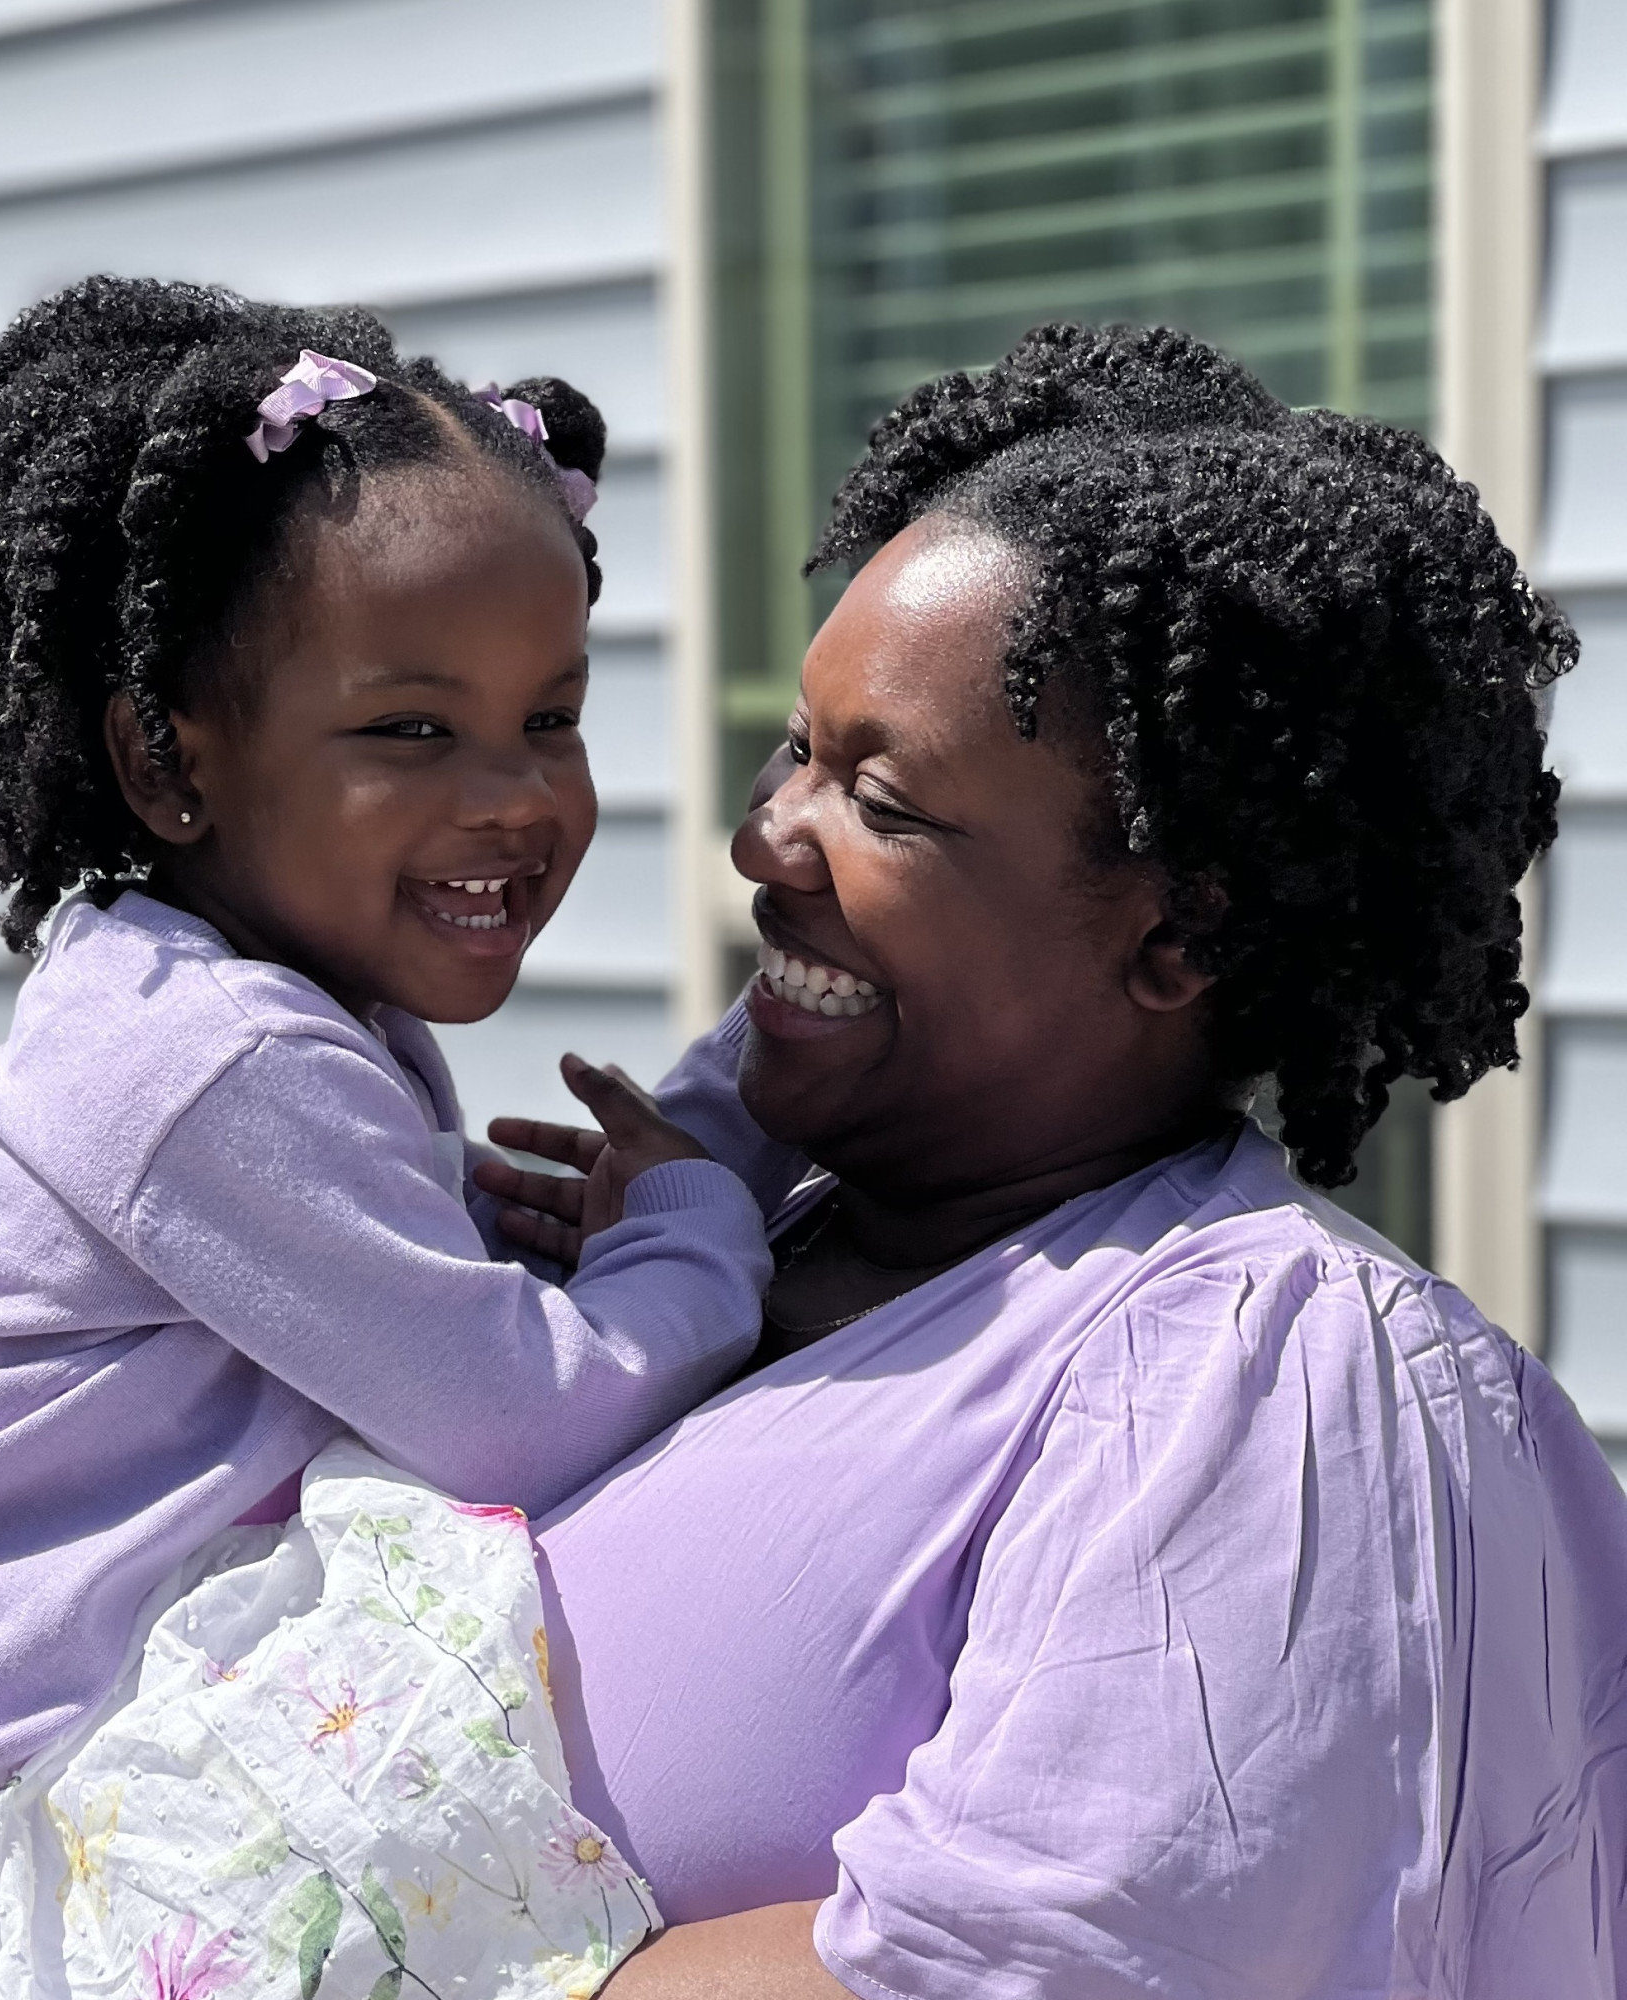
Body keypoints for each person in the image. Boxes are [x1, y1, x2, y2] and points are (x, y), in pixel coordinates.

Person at [0, 277, 766, 1993]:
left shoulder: (237, 994)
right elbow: (516, 1422)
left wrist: (462, 1220)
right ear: (169, 761)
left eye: (554, 715)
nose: (516, 796)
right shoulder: (217, 1057)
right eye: (412, 729)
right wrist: (704, 1233)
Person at [482, 325, 1627, 1998]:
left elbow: (1047, 1966)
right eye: (798, 748)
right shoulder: (747, 1226)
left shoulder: (1273, 1381)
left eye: (884, 800)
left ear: (1179, 932)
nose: (763, 839)